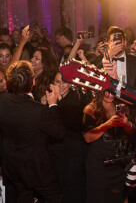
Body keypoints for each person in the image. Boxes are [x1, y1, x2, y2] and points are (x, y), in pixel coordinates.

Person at [0, 60, 64, 202]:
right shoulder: (38, 111)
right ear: (33, 82)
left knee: (23, 198)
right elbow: (59, 133)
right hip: (36, 169)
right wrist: (52, 105)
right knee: (54, 198)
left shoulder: (2, 100)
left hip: (13, 166)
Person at [83, 91, 135, 203]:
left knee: (118, 198)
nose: (110, 94)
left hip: (119, 164)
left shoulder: (121, 107)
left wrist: (126, 123)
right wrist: (107, 125)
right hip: (99, 166)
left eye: (113, 91)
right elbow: (87, 137)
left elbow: (132, 133)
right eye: (107, 91)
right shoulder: (91, 109)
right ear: (100, 90)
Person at [49, 72, 88, 203]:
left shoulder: (75, 101)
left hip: (73, 156)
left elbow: (64, 123)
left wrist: (55, 103)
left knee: (73, 192)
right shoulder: (50, 98)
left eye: (64, 82)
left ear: (71, 84)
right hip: (57, 154)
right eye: (57, 82)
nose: (60, 85)